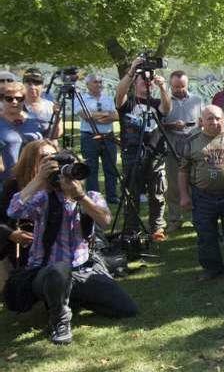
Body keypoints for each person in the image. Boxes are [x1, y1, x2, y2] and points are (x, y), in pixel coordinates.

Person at [6, 149, 138, 345]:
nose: (69, 175)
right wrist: (39, 180)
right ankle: (60, 320)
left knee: (127, 309)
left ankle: (67, 299)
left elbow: (105, 221)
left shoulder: (90, 196)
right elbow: (13, 211)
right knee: (59, 269)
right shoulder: (43, 198)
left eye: (73, 169)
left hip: (82, 271)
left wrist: (80, 197)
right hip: (45, 272)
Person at [178, 106, 224, 281]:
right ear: (202, 121)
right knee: (206, 234)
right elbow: (183, 170)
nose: (214, 122)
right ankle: (211, 268)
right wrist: (184, 195)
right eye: (210, 119)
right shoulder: (192, 141)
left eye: (218, 118)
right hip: (202, 196)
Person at [115, 56, 172, 241]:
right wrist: (132, 71)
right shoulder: (129, 103)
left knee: (157, 193)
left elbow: (167, 108)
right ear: (135, 84)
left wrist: (163, 87)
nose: (147, 84)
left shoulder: (155, 103)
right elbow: (119, 95)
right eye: (143, 81)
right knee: (132, 193)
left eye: (149, 82)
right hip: (132, 154)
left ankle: (157, 228)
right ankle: (131, 229)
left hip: (155, 153)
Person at [1, 140, 58, 293]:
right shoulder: (14, 184)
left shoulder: (62, 182)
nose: (50, 160)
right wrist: (12, 234)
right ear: (31, 160)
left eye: (54, 156)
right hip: (23, 246)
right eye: (44, 157)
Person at [162, 70, 203, 232]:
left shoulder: (197, 100)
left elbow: (203, 120)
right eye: (176, 87)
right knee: (173, 184)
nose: (179, 89)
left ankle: (197, 217)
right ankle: (174, 219)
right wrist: (172, 125)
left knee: (196, 182)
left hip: (193, 145)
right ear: (170, 85)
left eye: (182, 86)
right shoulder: (164, 100)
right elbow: (158, 123)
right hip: (172, 145)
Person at [73, 75, 119, 204]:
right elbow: (85, 115)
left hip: (108, 136)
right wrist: (106, 114)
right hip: (89, 137)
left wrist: (97, 116)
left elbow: (116, 116)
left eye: (100, 81)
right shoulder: (81, 98)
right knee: (91, 168)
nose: (99, 84)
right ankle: (94, 196)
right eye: (95, 82)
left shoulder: (108, 98)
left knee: (111, 167)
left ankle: (112, 196)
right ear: (87, 85)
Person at [0, 82, 44, 183]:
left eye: (19, 98)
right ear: (2, 99)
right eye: (9, 99)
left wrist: (58, 115)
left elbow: (54, 136)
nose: (14, 102)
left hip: (35, 179)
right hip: (6, 181)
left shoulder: (34, 119)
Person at [22, 68, 60, 139]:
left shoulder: (51, 106)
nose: (33, 87)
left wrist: (58, 117)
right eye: (29, 83)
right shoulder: (15, 104)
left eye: (37, 83)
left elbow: (56, 135)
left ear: (43, 86)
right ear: (23, 85)